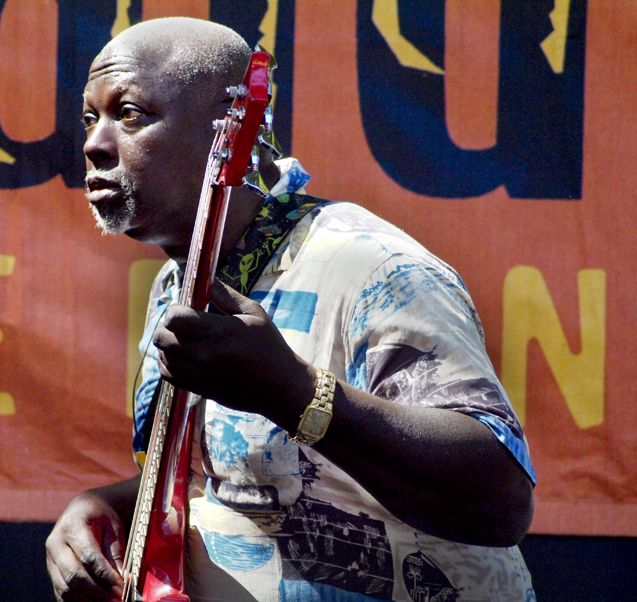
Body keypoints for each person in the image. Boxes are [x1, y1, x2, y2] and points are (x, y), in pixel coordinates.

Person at [46, 16, 536, 602]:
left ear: (226, 132)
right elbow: (235, 481)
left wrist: (295, 392)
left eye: (129, 114)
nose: (94, 144)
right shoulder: (176, 286)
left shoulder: (371, 267)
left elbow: (501, 500)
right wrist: (103, 505)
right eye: (89, 118)